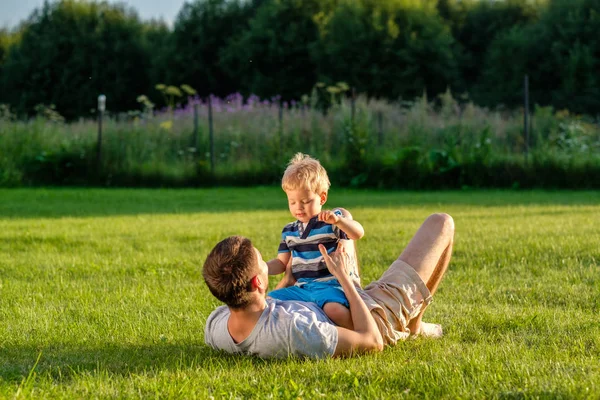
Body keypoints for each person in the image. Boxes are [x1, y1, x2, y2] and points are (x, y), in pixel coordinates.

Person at [203, 213, 454, 359]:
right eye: (261, 262)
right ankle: (414, 326)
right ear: (258, 282)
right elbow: (371, 341)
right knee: (442, 223)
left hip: (322, 293)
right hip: (371, 315)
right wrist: (343, 277)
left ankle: (413, 324)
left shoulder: (216, 324)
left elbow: (263, 303)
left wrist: (289, 280)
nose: (266, 262)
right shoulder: (294, 331)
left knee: (341, 217)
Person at [266, 153, 365, 330]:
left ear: (322, 198)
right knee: (269, 302)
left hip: (330, 286)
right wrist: (263, 268)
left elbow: (358, 233)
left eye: (305, 201)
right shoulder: (289, 231)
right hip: (302, 288)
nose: (298, 207)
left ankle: (358, 333)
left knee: (335, 311)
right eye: (292, 202)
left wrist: (339, 221)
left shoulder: (330, 222)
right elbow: (281, 263)